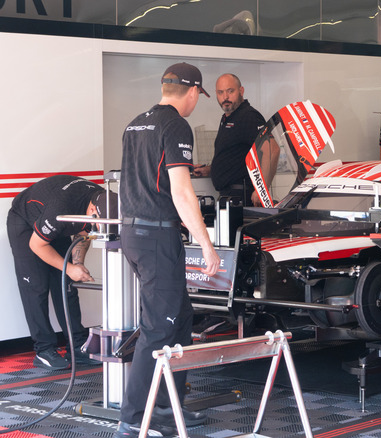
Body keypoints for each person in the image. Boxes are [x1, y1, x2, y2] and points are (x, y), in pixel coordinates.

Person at [114, 62, 220, 438]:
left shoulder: (135, 123)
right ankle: (135, 416)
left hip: (135, 233)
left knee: (180, 316)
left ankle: (167, 405)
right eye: (199, 96)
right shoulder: (175, 124)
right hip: (157, 237)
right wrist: (206, 245)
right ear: (192, 92)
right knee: (160, 327)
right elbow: (181, 191)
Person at [7, 175, 115, 371]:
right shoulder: (62, 207)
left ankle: (77, 346)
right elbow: (37, 244)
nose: (101, 229)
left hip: (55, 223)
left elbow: (85, 232)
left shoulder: (103, 200)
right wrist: (70, 268)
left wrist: (77, 263)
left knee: (66, 285)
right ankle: (44, 350)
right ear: (92, 210)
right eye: (101, 224)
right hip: (25, 222)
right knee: (36, 286)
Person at [192, 73, 279, 206]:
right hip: (228, 197)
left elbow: (272, 149)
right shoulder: (228, 118)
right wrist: (209, 169)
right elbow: (235, 156)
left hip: (241, 198)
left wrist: (262, 190)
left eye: (230, 91)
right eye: (220, 92)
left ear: (241, 91)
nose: (225, 97)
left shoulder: (248, 116)